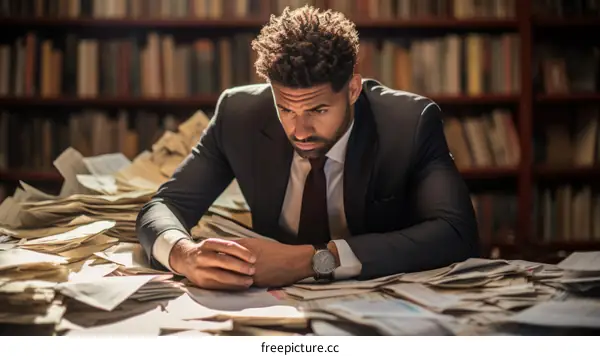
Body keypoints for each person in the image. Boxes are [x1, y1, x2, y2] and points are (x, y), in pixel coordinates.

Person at [136, 5, 479, 290]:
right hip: (268, 307)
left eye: (318, 110)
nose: (299, 130)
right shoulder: (238, 114)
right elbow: (166, 204)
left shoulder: (408, 123)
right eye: (285, 108)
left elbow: (456, 232)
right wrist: (183, 254)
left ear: (353, 90)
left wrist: (311, 260)